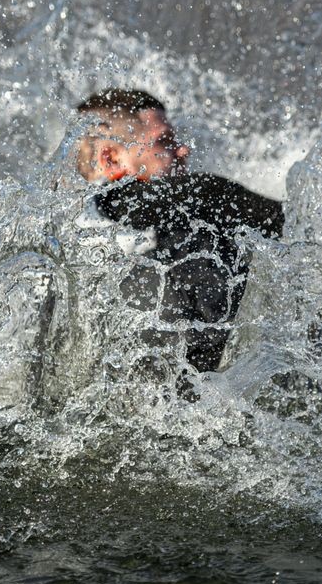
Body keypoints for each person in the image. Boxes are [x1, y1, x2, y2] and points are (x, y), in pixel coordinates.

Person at [71, 88, 284, 377]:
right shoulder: (169, 212)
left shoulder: (65, 231)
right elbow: (213, 196)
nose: (183, 150)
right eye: (164, 142)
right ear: (111, 159)